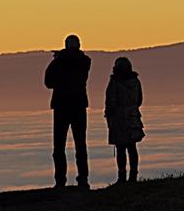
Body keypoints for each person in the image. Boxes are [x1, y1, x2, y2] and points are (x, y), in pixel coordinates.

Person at [44, 34, 93, 189]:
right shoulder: (85, 61)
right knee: (80, 145)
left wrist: (59, 58)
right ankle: (83, 179)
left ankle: (60, 180)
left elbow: (48, 82)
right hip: (78, 106)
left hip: (61, 106)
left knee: (59, 146)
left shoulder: (60, 62)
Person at [104, 56, 145, 184]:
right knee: (132, 147)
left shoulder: (114, 82)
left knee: (121, 148)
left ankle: (122, 177)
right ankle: (133, 176)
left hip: (118, 118)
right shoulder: (136, 81)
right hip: (133, 116)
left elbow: (111, 101)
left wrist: (109, 115)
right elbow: (139, 100)